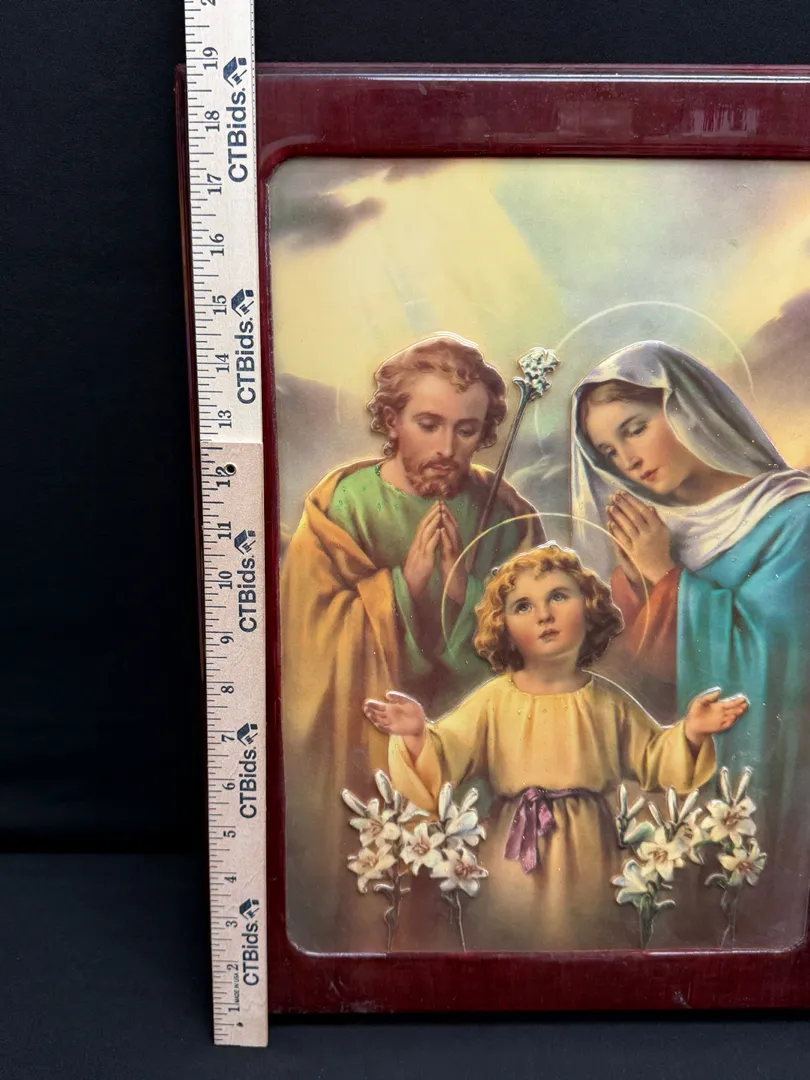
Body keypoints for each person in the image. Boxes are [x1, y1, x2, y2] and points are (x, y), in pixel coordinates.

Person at [281, 333, 544, 950]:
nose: (446, 448)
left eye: (466, 429)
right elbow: (307, 637)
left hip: (469, 761)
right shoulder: (342, 507)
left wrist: (463, 593)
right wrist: (407, 585)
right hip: (368, 748)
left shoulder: (506, 514)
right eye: (429, 424)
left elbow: (533, 652)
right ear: (392, 420)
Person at [364, 544, 746, 951]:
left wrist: (691, 732)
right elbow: (444, 755)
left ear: (589, 607)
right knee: (511, 941)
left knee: (593, 942)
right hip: (511, 858)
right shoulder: (494, 700)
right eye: (523, 606)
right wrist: (417, 734)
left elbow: (655, 757)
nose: (544, 615)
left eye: (558, 597)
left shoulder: (607, 702)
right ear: (503, 625)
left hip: (593, 857)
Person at [571, 340, 810, 946]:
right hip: (678, 775)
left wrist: (664, 577)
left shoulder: (795, 516)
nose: (628, 460)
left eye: (635, 428)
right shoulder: (651, 534)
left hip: (774, 777)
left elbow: (781, 662)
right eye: (608, 451)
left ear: (689, 410)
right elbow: (633, 677)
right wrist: (640, 582)